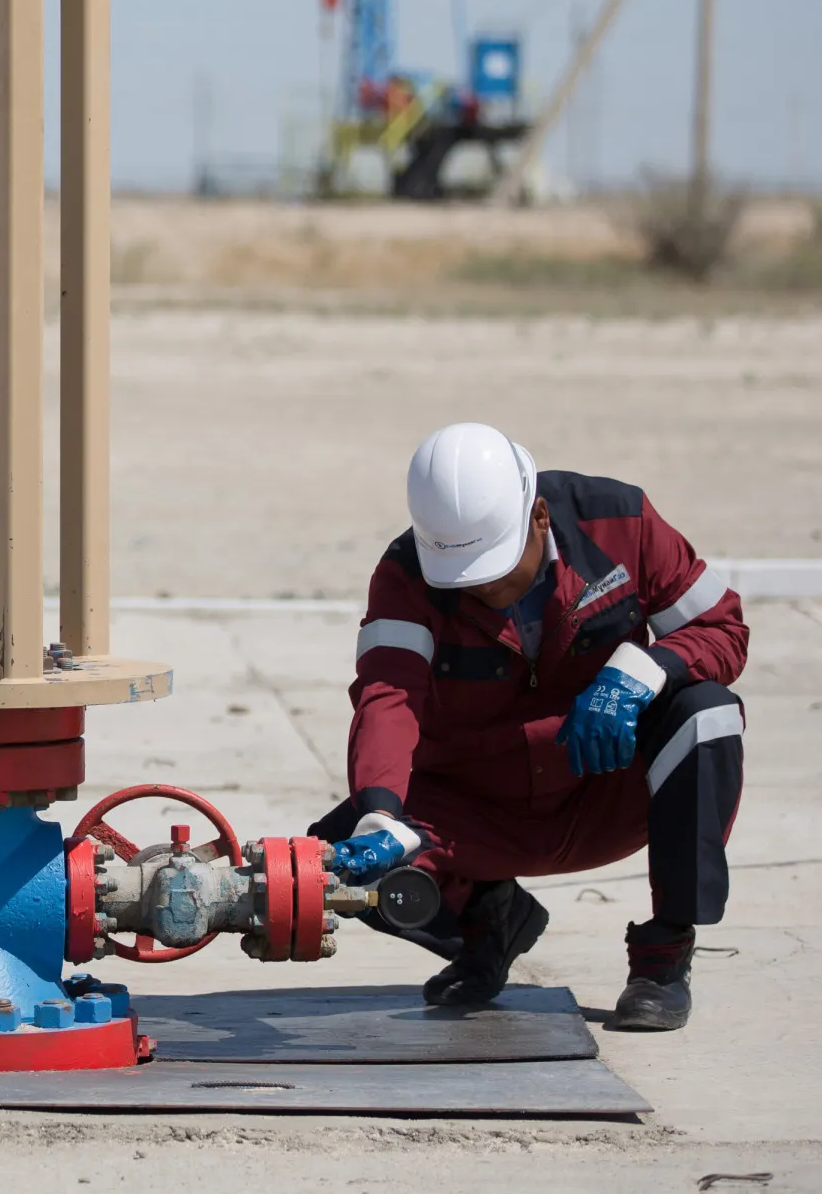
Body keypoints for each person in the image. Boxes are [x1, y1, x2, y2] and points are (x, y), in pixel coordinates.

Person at [311, 422, 746, 1031]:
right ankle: (487, 923)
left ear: (539, 516)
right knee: (334, 860)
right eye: (467, 581)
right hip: (476, 809)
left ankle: (663, 956)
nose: (487, 590)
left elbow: (724, 629)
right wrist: (380, 814)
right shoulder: (406, 574)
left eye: (499, 570)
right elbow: (388, 693)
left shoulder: (620, 522)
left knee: (708, 715)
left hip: (608, 787)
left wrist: (645, 670)